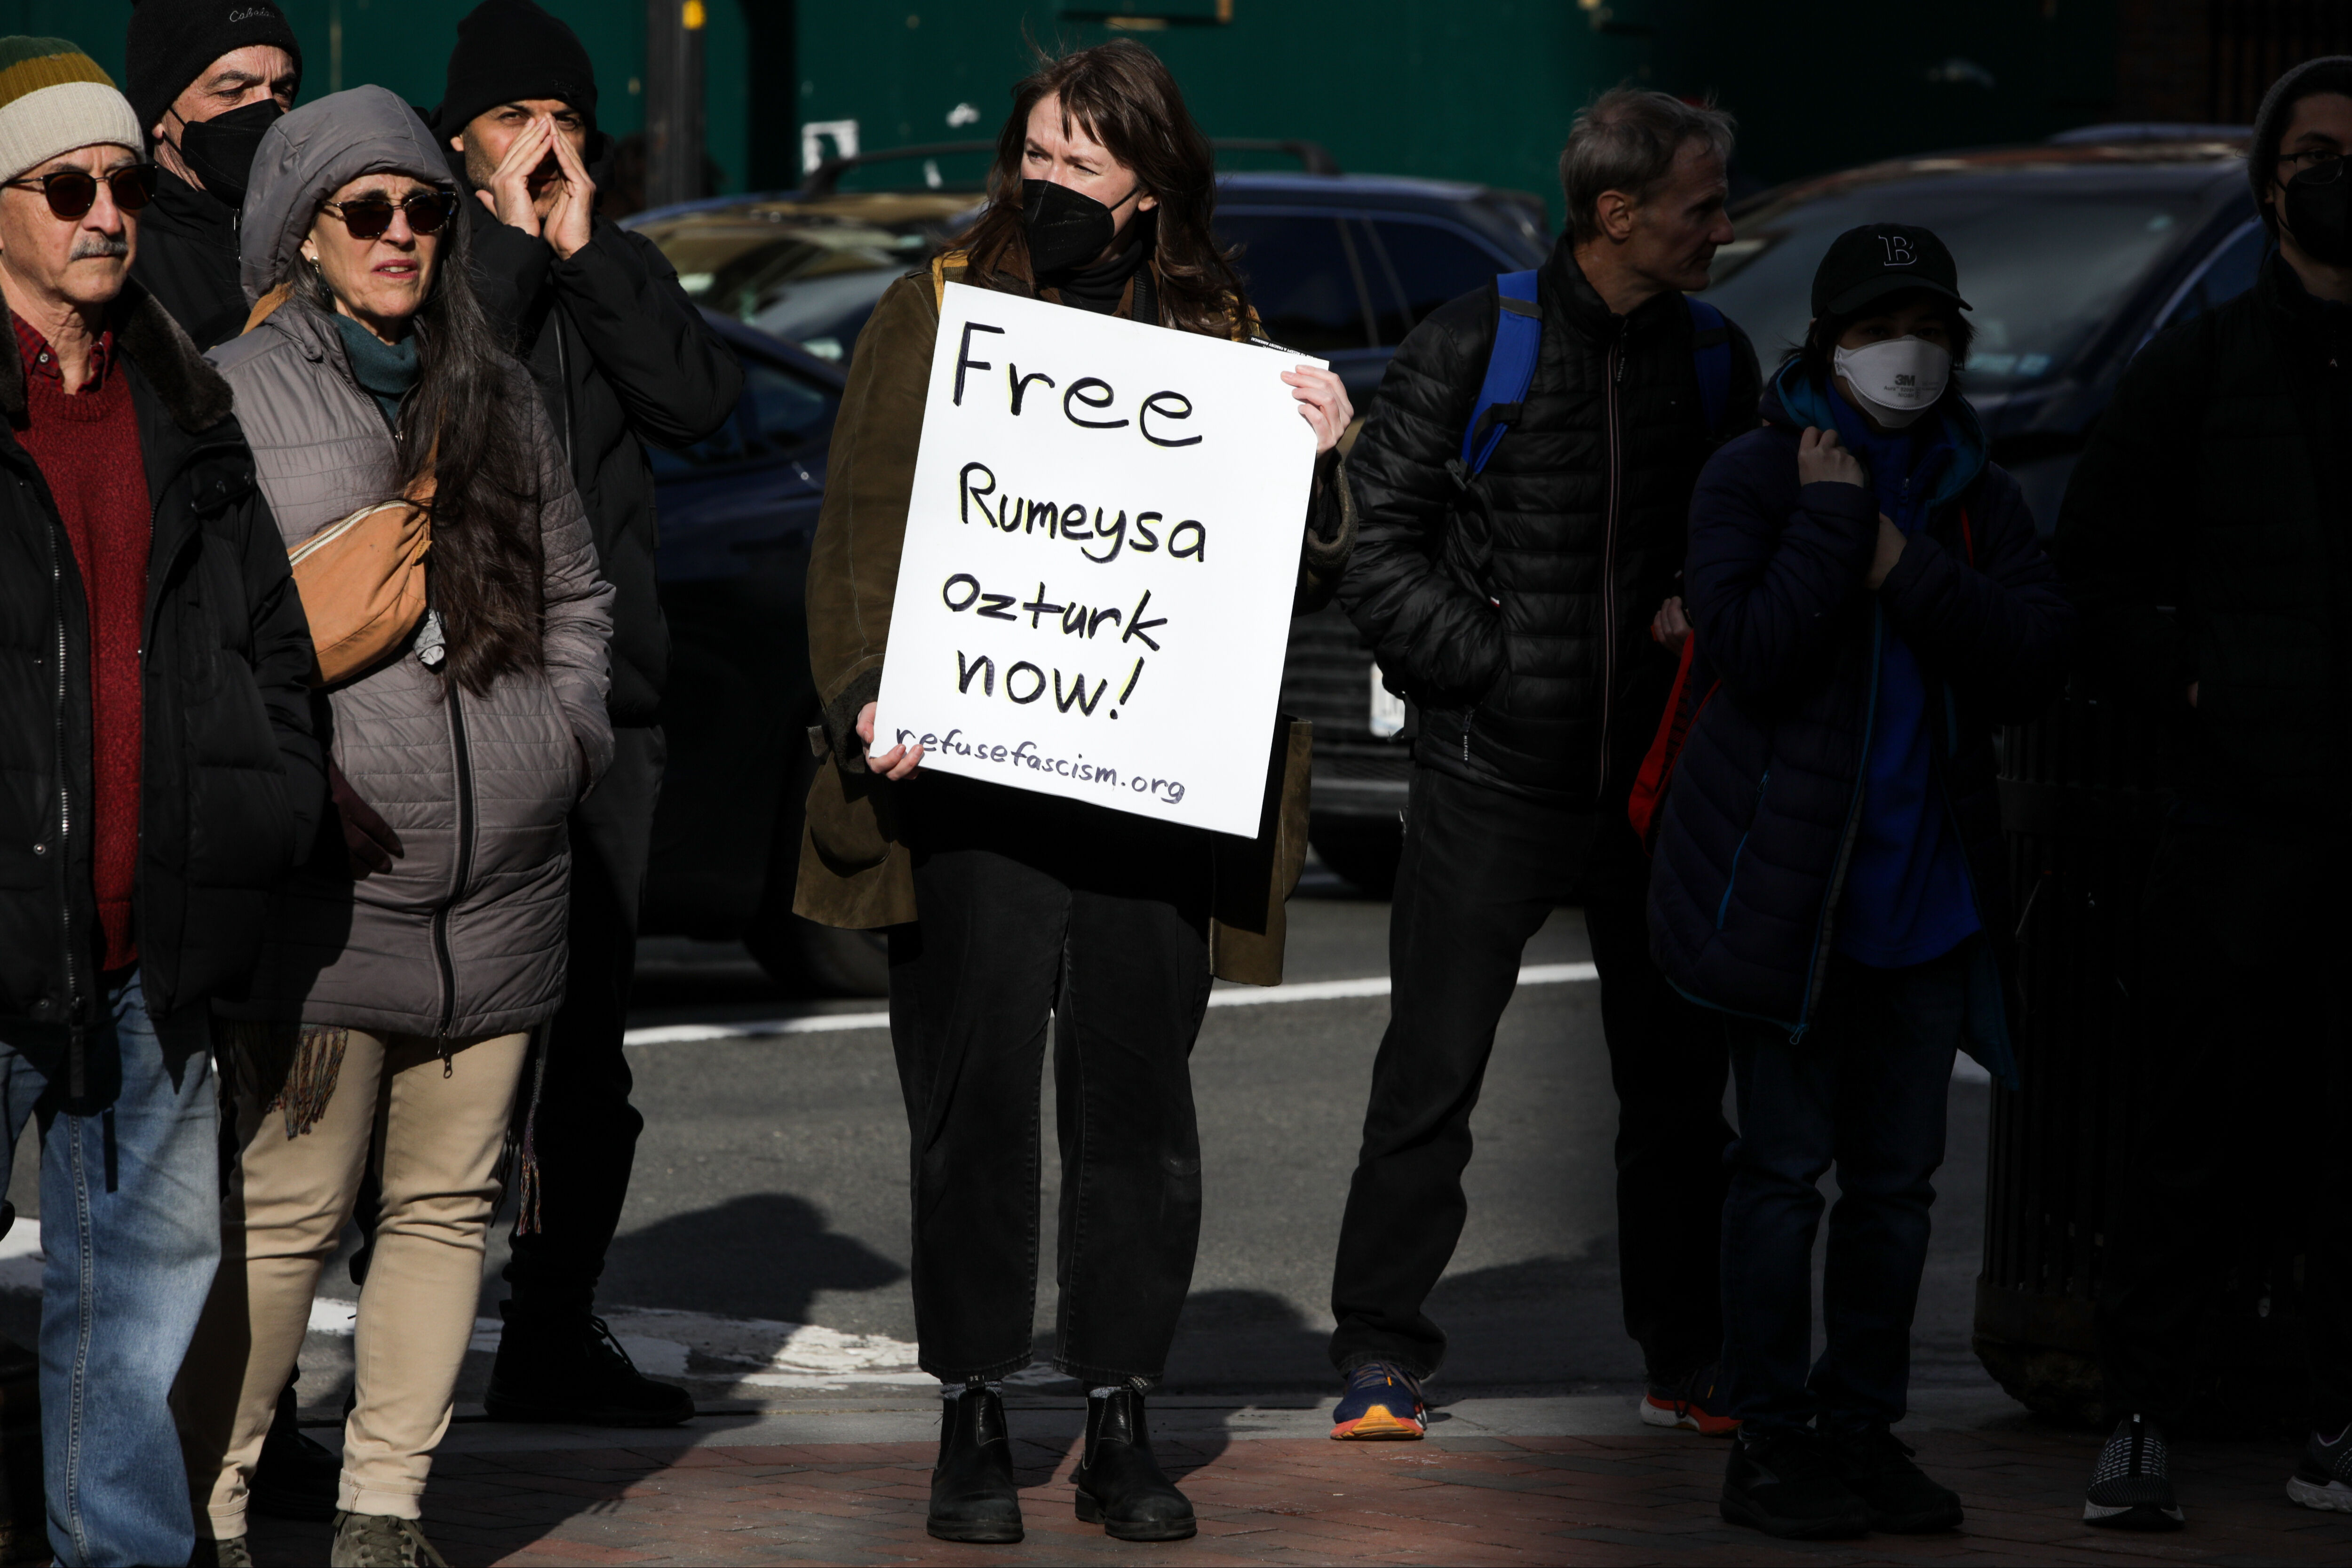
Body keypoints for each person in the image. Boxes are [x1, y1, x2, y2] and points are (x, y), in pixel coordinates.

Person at [797, 40, 1353, 1546]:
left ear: (1148, 189)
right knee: (971, 1100)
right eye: (1034, 154)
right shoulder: (935, 309)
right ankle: (972, 1409)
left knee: (1137, 1110)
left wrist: (1321, 458)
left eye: (1079, 164)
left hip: (1150, 792)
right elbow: (860, 524)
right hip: (974, 788)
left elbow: (1291, 571)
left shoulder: (1217, 335)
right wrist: (867, 691)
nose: (1045, 181)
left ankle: (1119, 1411)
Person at [171, 86, 614, 1568]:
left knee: (444, 1207)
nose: (402, 235)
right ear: (304, 231)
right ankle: (213, 1507)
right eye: (368, 210)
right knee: (287, 1215)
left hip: (505, 884)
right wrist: (291, 793)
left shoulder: (498, 392)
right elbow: (206, 645)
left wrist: (562, 742)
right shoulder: (233, 392)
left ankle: (384, 1511)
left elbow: (576, 593)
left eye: (426, 209)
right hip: (332, 883)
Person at [1326, 88, 1758, 1443]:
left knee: (1678, 1100)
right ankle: (1380, 1354)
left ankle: (1690, 1356)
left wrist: (1712, 612)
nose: (1723, 229)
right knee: (1431, 1080)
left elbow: (1745, 539)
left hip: (1660, 790)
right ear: (1616, 212)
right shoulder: (1475, 340)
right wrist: (1490, 666)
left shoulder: (1717, 357)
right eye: (1700, 206)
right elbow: (1371, 547)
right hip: (1490, 777)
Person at [1648, 224, 2072, 1539]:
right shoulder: (1753, 473)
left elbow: (2033, 655)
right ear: (1828, 344)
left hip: (1926, 908)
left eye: (1932, 331)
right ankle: (1770, 1438)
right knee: (1780, 1177)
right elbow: (1753, 649)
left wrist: (1906, 562)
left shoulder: (1974, 490)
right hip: (1792, 903)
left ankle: (1861, 1426)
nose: (1909, 354)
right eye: (1884, 328)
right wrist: (1837, 526)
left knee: (1895, 1192)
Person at [0, 37, 320, 1568]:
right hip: (4, 932)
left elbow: (271, 644)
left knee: (136, 1312)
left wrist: (268, 806)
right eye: (67, 186)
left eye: (124, 184)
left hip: (158, 948)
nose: (107, 214)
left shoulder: (182, 398)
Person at [429, 0, 742, 1427]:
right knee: (438, 1036)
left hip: (606, 711)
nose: (543, 145)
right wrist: (502, 244)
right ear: (459, 138)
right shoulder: (423, 256)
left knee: (588, 1051)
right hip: (456, 710)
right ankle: (407, 1337)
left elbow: (698, 399)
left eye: (565, 120)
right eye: (514, 120)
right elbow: (442, 411)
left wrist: (585, 249)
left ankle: (552, 1326)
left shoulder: (610, 260)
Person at [2057, 56, 2352, 1532]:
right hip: (2233, 823)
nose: (2339, 179)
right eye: (2316, 155)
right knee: (2193, 1132)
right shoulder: (2199, 363)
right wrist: (2188, 686)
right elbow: (2097, 565)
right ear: (2267, 185)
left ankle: (2333, 1421)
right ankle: (2140, 1414)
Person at [125, 0, 302, 349]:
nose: (267, 113)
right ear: (158, 115)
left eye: (281, 91)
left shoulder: (315, 235)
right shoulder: (123, 260)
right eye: (232, 92)